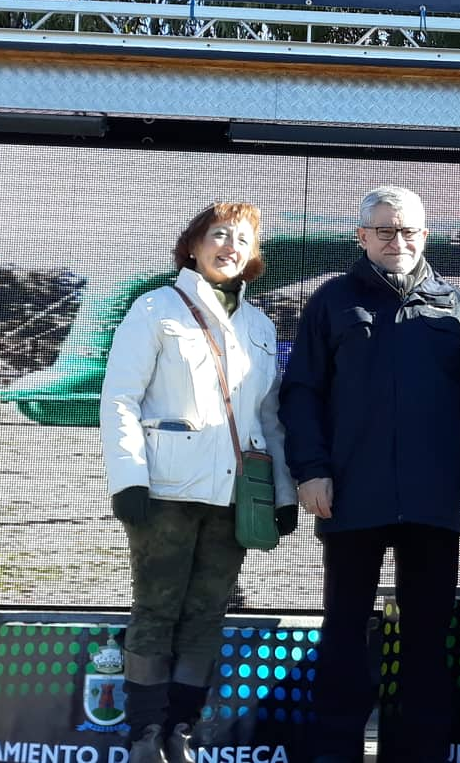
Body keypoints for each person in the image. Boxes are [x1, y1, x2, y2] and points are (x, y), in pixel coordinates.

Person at [278, 185, 460, 763]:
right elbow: (302, 393)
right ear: (362, 236)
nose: (399, 241)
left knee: (425, 637)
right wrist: (312, 471)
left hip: (433, 498)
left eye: (409, 231)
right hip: (351, 495)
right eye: (386, 230)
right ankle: (335, 752)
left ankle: (418, 752)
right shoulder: (331, 301)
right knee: (346, 632)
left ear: (425, 234)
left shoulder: (457, 305)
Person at [100, 202, 297, 763]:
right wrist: (128, 479)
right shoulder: (156, 307)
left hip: (236, 496)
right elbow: (119, 399)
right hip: (164, 489)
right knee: (156, 609)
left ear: (254, 256)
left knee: (207, 614)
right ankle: (142, 735)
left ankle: (178, 733)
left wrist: (282, 495)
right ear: (193, 245)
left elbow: (270, 419)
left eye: (242, 239)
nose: (230, 245)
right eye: (218, 234)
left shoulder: (260, 326)